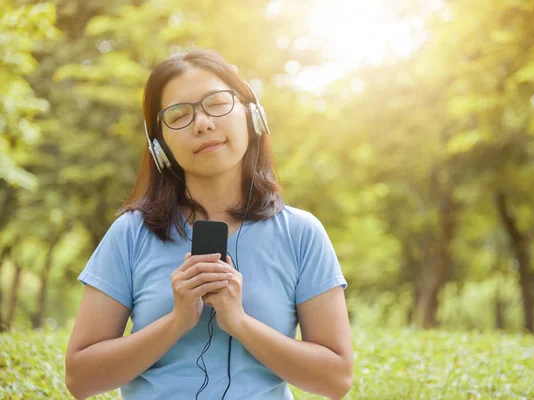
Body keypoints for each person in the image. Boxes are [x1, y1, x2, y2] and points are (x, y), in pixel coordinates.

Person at [65, 48, 353, 400]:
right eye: (179, 114)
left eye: (217, 103)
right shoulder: (131, 234)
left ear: (253, 115)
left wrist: (240, 323)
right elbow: (80, 380)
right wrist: (177, 321)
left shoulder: (301, 234)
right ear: (160, 144)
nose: (202, 123)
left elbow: (337, 380)